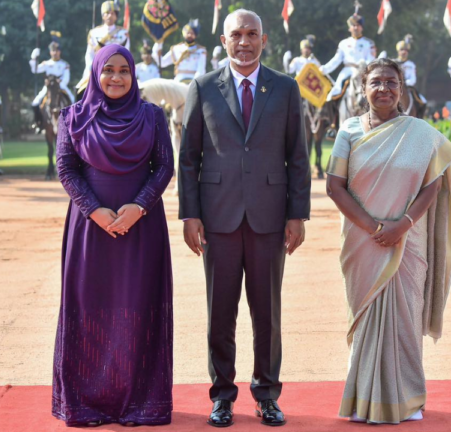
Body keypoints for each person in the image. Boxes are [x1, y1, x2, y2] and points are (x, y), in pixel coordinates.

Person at [179, 9, 311, 428]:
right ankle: (222, 397)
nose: (244, 41)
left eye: (252, 34)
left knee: (266, 314)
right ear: (223, 40)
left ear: (264, 39)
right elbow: (188, 160)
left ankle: (267, 394)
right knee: (220, 314)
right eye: (236, 34)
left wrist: (297, 215)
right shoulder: (201, 88)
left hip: (270, 219)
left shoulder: (286, 89)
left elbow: (298, 158)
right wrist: (190, 214)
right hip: (217, 219)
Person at [326, 58, 451, 424]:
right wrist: (373, 227)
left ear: (401, 88)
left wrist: (402, 224)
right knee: (367, 318)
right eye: (376, 82)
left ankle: (408, 400)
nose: (383, 88)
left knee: (404, 319)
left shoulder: (420, 132)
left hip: (407, 241)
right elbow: (334, 187)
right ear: (363, 88)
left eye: (391, 81)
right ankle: (361, 400)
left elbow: (435, 183)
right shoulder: (348, 132)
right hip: (361, 241)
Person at [52, 45, 174, 427]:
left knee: (139, 307)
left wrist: (139, 206)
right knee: (89, 308)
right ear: (95, 74)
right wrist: (94, 210)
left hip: (143, 227)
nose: (116, 78)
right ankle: (87, 401)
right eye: (109, 71)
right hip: (90, 230)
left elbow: (164, 167)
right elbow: (66, 168)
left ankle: (141, 402)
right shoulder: (73, 117)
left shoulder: (153, 117)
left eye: (124, 71)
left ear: (134, 75)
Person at [76, 1, 129, 95]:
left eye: (112, 13)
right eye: (107, 13)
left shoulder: (123, 33)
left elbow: (127, 53)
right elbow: (89, 54)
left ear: (116, 16)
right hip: (97, 67)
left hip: (118, 68)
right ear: (103, 16)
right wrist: (90, 68)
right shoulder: (94, 33)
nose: (110, 16)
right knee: (79, 89)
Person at [320, 12, 376, 101]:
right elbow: (336, 59)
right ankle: (333, 113)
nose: (356, 28)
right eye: (353, 25)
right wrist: (325, 69)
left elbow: (371, 59)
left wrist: (364, 66)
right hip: (347, 71)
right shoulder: (343, 43)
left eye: (358, 25)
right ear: (349, 28)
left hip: (363, 71)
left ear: (362, 27)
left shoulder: (369, 43)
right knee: (334, 93)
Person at [29, 32, 74, 131]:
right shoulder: (46, 63)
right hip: (48, 87)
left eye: (57, 51)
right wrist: (33, 58)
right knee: (35, 103)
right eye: (53, 51)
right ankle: (38, 123)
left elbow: (66, 78)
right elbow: (34, 70)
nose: (55, 53)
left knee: (73, 100)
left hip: (61, 86)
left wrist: (58, 84)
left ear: (60, 52)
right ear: (50, 52)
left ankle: (74, 123)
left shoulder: (64, 64)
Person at [395, 35, 427, 111]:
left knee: (423, 101)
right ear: (398, 51)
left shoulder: (411, 65)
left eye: (406, 50)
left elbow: (413, 78)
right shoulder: (393, 63)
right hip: (394, 86)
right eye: (402, 50)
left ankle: (419, 118)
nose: (404, 52)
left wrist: (405, 84)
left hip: (407, 87)